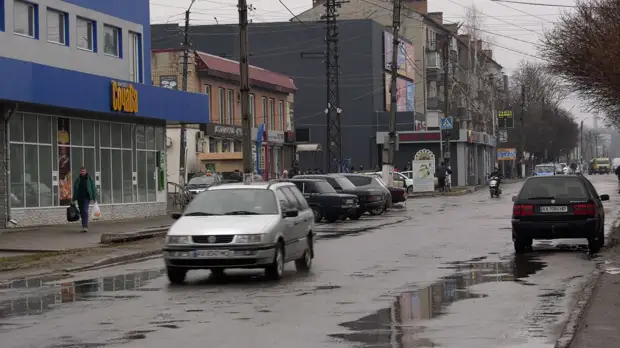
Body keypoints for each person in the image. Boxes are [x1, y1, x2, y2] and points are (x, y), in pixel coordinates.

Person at [72, 167, 97, 232]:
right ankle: (84, 226)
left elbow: (93, 187)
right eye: (81, 171)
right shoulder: (78, 179)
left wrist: (94, 197)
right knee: (82, 211)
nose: (82, 172)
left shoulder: (89, 179)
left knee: (85, 210)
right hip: (79, 198)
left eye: (84, 171)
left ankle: (85, 226)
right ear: (80, 172)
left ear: (86, 171)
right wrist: (73, 199)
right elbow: (75, 189)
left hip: (86, 197)